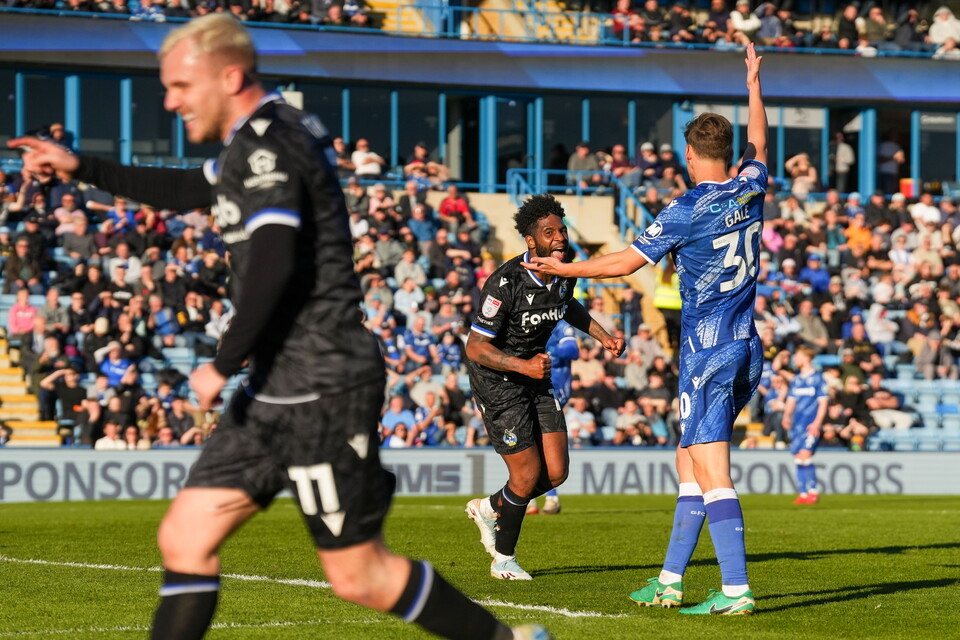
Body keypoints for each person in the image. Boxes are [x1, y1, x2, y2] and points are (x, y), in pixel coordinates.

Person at [10, 15, 547, 640]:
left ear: (229, 76)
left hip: (324, 380)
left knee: (360, 576)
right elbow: (182, 189)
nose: (170, 101)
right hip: (276, 384)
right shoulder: (251, 145)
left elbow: (273, 256)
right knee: (186, 536)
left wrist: (222, 360)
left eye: (180, 85)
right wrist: (79, 166)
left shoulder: (273, 142)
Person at [524, 44, 767, 615]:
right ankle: (669, 581)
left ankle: (736, 590)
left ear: (689, 155)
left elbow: (625, 262)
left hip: (708, 349)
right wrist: (754, 86)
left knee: (712, 468)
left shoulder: (687, 208)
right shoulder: (751, 185)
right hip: (744, 343)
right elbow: (758, 143)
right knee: (688, 461)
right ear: (730, 154)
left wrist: (564, 269)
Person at [464, 193, 624, 581]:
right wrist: (522, 365)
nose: (559, 238)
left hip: (536, 376)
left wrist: (602, 335)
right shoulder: (505, 282)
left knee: (555, 473)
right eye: (549, 232)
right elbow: (475, 347)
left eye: (561, 230)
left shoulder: (565, 271)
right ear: (531, 240)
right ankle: (503, 560)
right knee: (525, 474)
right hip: (498, 381)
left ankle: (490, 507)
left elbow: (568, 305)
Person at [526, 319, 579, 516]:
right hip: (534, 385)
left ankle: (548, 497)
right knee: (530, 438)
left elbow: (573, 350)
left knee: (543, 439)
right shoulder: (529, 321)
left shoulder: (561, 325)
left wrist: (548, 351)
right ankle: (534, 497)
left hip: (556, 386)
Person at [781, 346, 829, 505]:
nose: (795, 359)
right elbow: (791, 400)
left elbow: (823, 402)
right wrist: (786, 416)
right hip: (797, 425)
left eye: (798, 356)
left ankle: (813, 492)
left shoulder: (818, 378)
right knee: (798, 458)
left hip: (810, 424)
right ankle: (803, 493)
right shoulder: (796, 380)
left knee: (805, 455)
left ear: (807, 358)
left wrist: (817, 423)